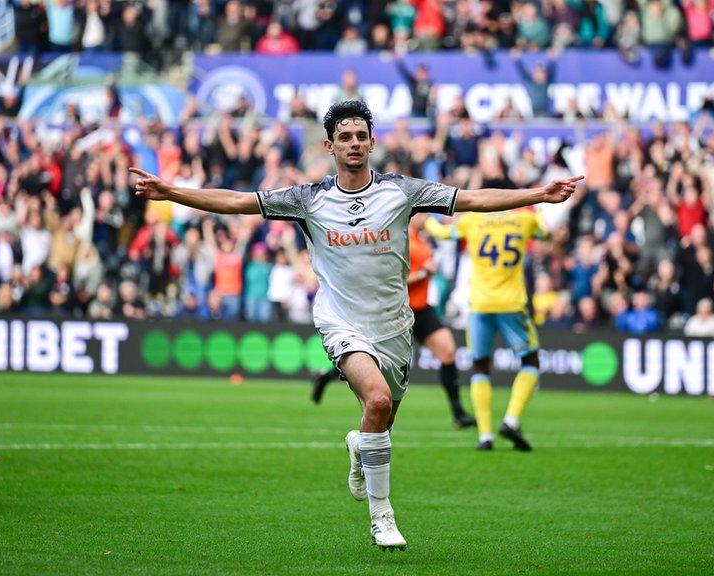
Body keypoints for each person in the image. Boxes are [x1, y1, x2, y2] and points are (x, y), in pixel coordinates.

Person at [129, 100, 582, 550]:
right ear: (329, 145)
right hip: (340, 321)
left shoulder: (402, 191)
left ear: (372, 142)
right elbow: (237, 202)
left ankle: (360, 445)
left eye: (361, 136)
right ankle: (382, 517)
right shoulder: (307, 199)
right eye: (344, 137)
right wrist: (172, 192)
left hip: (395, 326)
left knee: (380, 421)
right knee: (379, 399)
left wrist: (537, 194)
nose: (353, 143)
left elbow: (473, 199)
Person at [310, 214, 477, 430]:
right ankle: (328, 376)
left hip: (422, 309)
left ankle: (458, 413)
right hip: (396, 311)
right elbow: (389, 280)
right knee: (376, 362)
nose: (428, 216)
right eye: (423, 213)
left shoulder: (421, 240)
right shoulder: (396, 239)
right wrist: (424, 273)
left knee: (447, 352)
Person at [426, 207, 552, 452]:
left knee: (480, 365)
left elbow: (442, 233)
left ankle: (485, 436)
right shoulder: (524, 220)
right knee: (531, 361)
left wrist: (427, 220)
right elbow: (545, 233)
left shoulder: (472, 222)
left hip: (480, 304)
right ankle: (511, 421)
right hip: (511, 303)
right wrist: (539, 218)